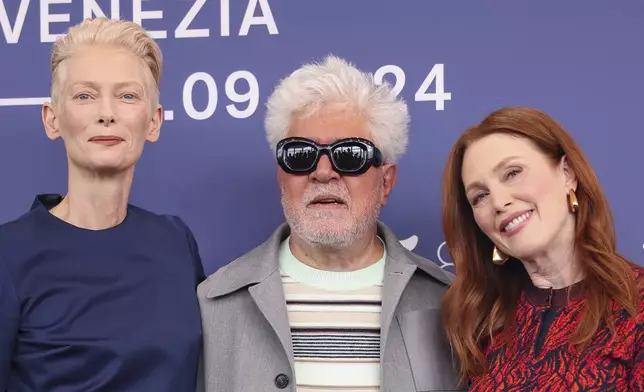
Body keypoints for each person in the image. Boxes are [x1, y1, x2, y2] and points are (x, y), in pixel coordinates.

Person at [196, 55, 459, 392]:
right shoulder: (215, 305)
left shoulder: (446, 304)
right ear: (281, 177)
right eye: (300, 154)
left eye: (350, 155)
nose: (323, 173)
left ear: (386, 183)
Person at [0, 18, 205, 391]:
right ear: (52, 119)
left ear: (154, 122)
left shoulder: (176, 242)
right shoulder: (8, 255)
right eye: (84, 96)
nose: (106, 112)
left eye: (127, 96)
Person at [440, 106, 644, 391]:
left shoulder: (636, 304)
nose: (499, 202)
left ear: (567, 173)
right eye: (480, 196)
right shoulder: (482, 325)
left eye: (513, 173)